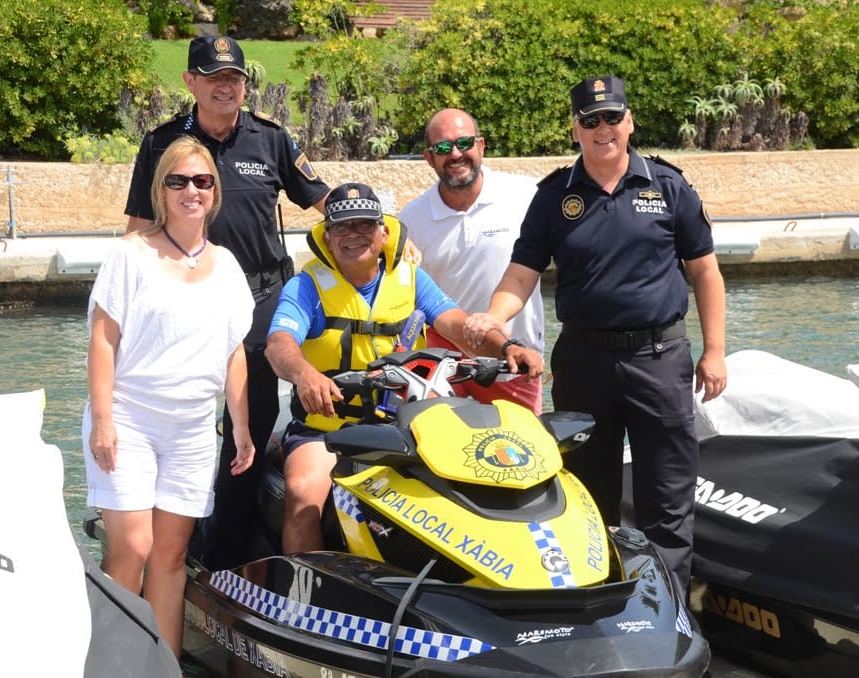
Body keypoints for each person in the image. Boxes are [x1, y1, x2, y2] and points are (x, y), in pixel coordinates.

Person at [464, 75, 728, 601]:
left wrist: (716, 351)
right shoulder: (554, 196)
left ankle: (669, 610)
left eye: (612, 117)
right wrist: (495, 317)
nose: (602, 129)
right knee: (586, 496)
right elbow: (522, 273)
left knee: (667, 501)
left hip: (660, 358)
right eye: (591, 120)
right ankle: (602, 606)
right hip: (585, 364)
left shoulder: (669, 187)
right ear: (576, 130)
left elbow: (705, 272)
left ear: (629, 122)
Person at [123, 35, 330, 571]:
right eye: (214, 79)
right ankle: (170, 536)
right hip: (187, 297)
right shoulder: (162, 144)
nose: (226, 88)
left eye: (234, 79)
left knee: (253, 424)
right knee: (184, 415)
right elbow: (140, 228)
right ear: (191, 82)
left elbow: (322, 198)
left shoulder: (271, 139)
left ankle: (227, 553)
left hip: (260, 297)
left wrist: (385, 229)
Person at [265, 183, 545, 554]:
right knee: (303, 494)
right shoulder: (306, 287)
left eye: (365, 225)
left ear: (383, 233)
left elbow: (459, 326)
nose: (354, 236)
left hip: (405, 428)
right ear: (327, 237)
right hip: (327, 430)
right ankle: (304, 599)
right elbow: (279, 343)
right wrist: (305, 375)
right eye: (343, 228)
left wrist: (509, 348)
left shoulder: (412, 279)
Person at [85, 136, 256, 658]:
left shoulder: (226, 265)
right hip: (130, 419)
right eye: (177, 180)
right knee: (132, 547)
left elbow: (233, 352)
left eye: (201, 181)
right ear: (160, 190)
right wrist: (102, 420)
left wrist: (242, 428)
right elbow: (102, 339)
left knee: (172, 554)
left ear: (215, 191)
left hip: (192, 430)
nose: (190, 190)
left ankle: (163, 666)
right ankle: (108, 664)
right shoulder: (130, 254)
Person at [398, 108, 546, 413]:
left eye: (464, 143)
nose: (455, 154)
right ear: (428, 157)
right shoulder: (410, 220)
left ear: (481, 146)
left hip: (513, 361)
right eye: (442, 148)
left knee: (523, 455)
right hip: (443, 370)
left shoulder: (526, 196)